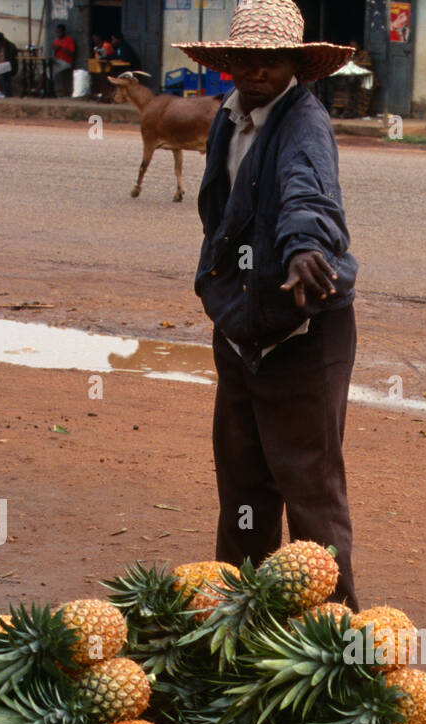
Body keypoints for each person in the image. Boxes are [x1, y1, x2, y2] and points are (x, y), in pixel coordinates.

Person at [175, 0, 360, 606]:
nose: (257, 71)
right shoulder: (227, 119)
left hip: (303, 325)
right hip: (240, 327)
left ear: (296, 67)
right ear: (227, 63)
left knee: (309, 485)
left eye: (271, 61)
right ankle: (240, 624)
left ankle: (338, 641)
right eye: (245, 60)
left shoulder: (304, 125)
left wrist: (307, 246)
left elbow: (310, 192)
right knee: (244, 485)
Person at [52, 23, 76, 97]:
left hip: (66, 62)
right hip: (58, 61)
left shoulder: (69, 40)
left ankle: (52, 91)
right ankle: (41, 89)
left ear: (63, 32)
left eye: (60, 32)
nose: (58, 34)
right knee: (45, 69)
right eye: (57, 32)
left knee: (50, 71)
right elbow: (54, 53)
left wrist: (61, 48)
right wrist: (54, 49)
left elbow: (72, 53)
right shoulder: (56, 41)